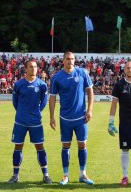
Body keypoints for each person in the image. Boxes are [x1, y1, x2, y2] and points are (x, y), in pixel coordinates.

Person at [49, 51, 95, 185]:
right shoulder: (56, 77)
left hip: (81, 118)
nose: (70, 61)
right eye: (67, 59)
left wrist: (90, 110)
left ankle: (83, 174)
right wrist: (51, 117)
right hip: (65, 119)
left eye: (72, 59)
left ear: (75, 60)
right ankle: (65, 176)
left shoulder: (82, 73)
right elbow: (52, 98)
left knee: (82, 144)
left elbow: (90, 91)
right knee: (66, 145)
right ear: (63, 61)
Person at [9, 59, 52, 184]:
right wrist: (22, 112)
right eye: (31, 67)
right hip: (20, 121)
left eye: (35, 67)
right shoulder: (18, 84)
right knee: (18, 146)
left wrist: (36, 111)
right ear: (26, 69)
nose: (33, 69)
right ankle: (15, 175)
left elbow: (44, 101)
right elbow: (15, 102)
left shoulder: (42, 85)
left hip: (36, 122)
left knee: (40, 146)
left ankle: (46, 175)